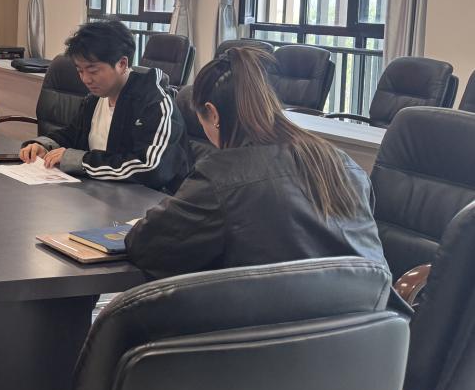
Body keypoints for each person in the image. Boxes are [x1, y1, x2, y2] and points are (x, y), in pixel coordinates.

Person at [124, 46, 388, 278]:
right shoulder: (341, 162)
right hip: (375, 313)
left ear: (212, 114)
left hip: (280, 318)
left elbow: (147, 245)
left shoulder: (221, 176)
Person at [19, 19, 188, 191]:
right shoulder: (95, 98)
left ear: (122, 64)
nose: (86, 79)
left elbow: (150, 167)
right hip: (101, 193)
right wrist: (45, 145)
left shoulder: (154, 103)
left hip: (149, 201)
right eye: (80, 71)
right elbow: (73, 134)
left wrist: (81, 161)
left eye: (93, 71)